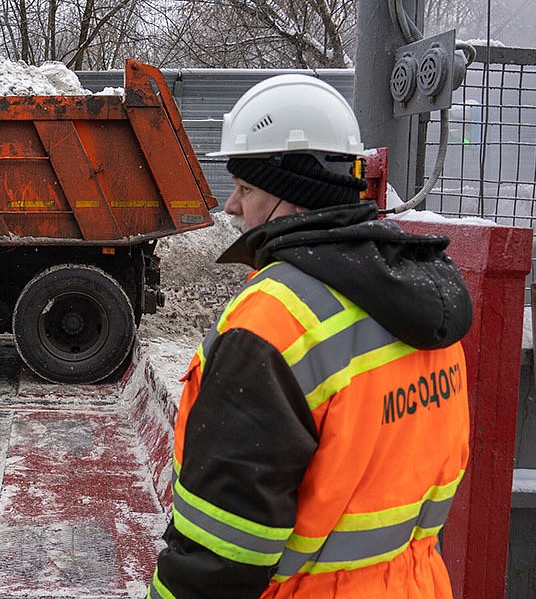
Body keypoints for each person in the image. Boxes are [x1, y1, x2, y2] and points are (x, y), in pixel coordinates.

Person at [148, 74, 473, 598]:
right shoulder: (422, 303)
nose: (231, 206)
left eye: (246, 188)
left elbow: (222, 555)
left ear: (291, 194)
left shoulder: (272, 324)